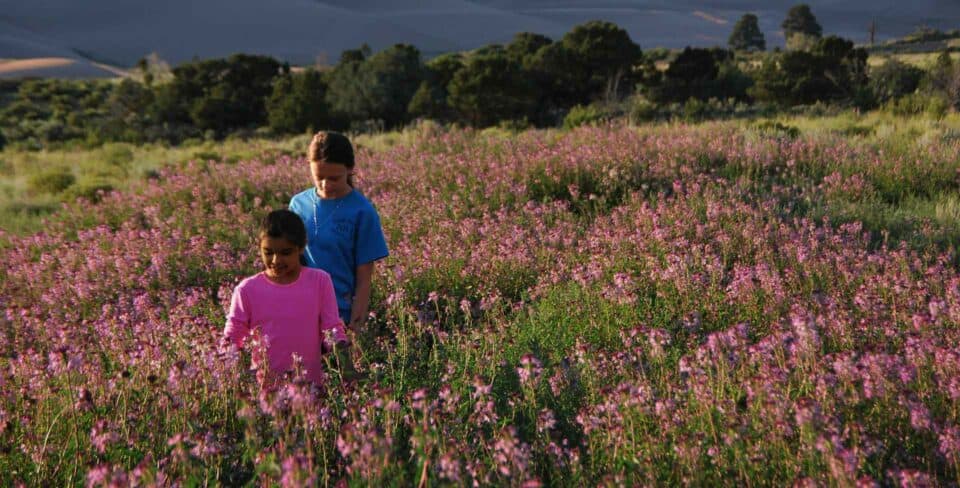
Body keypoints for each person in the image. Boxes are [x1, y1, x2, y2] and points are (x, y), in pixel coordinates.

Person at [224, 209, 351, 385]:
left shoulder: (320, 281)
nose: (276, 260)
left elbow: (332, 328)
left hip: (310, 387)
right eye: (268, 252)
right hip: (267, 391)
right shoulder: (246, 290)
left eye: (286, 253)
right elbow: (234, 335)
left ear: (301, 248)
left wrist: (347, 367)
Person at [289, 131, 389, 332]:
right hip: (301, 311)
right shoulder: (298, 204)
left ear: (350, 169)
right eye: (319, 177)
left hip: (340, 315)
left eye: (334, 178)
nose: (326, 185)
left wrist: (356, 326)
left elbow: (364, 279)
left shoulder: (362, 211)